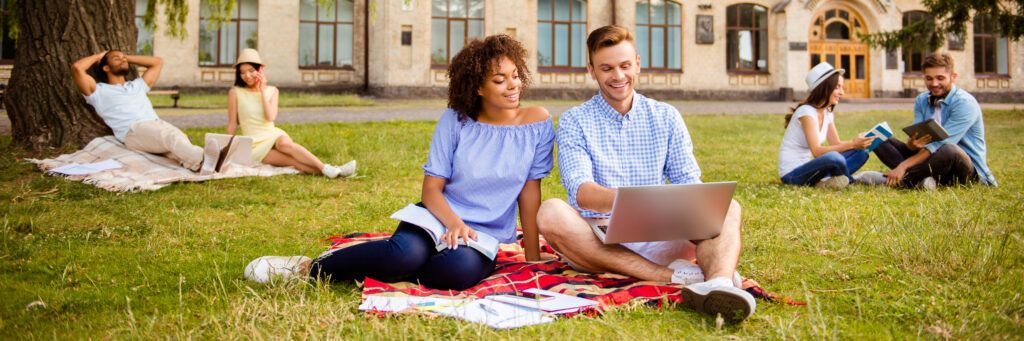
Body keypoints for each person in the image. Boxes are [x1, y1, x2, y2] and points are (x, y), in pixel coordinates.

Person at [243, 35, 555, 290]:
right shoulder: (455, 120)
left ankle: (380, 263)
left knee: (454, 275)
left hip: (481, 234)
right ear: (477, 87)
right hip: (438, 215)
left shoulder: (537, 123)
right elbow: (432, 190)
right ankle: (309, 267)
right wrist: (453, 223)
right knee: (404, 256)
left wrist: (531, 254)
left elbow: (529, 192)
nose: (513, 85)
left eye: (515, 76)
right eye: (500, 80)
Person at [535, 25, 754, 322]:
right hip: (601, 240)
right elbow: (581, 192)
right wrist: (640, 202)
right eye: (607, 68)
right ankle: (674, 277)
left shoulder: (666, 116)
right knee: (550, 212)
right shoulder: (575, 120)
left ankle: (717, 285)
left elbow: (689, 183)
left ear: (637, 63)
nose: (618, 76)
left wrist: (671, 207)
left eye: (625, 66)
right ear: (592, 70)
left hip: (664, 232)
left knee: (727, 207)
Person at [71, 50, 217, 173]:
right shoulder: (98, 91)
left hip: (155, 124)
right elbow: (77, 68)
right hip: (133, 131)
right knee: (171, 137)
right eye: (116, 58)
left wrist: (124, 57)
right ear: (106, 68)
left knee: (176, 145)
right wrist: (99, 56)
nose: (122, 60)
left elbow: (157, 62)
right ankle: (208, 159)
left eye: (124, 58)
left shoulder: (137, 85)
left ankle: (197, 165)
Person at [873, 53, 997, 189]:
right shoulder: (921, 100)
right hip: (928, 159)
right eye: (929, 78)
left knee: (949, 150)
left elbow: (940, 144)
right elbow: (917, 138)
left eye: (940, 78)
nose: (934, 84)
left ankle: (902, 181)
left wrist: (903, 165)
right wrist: (912, 144)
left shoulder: (965, 103)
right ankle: (922, 180)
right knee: (877, 137)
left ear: (953, 77)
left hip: (964, 170)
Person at [228, 49, 355, 178]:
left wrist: (262, 91)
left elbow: (270, 117)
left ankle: (327, 168)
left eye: (251, 71)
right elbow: (232, 124)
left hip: (272, 134)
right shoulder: (235, 93)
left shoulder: (272, 91)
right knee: (292, 162)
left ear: (260, 70)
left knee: (285, 144)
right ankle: (336, 171)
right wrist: (226, 149)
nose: (247, 76)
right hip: (254, 144)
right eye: (242, 72)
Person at [777, 62, 875, 189]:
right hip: (792, 175)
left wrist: (859, 142)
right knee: (833, 157)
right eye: (838, 87)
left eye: (842, 87)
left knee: (861, 153)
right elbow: (817, 151)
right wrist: (852, 143)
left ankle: (828, 181)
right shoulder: (806, 112)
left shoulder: (827, 113)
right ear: (825, 88)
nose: (842, 92)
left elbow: (836, 143)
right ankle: (848, 180)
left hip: (812, 171)